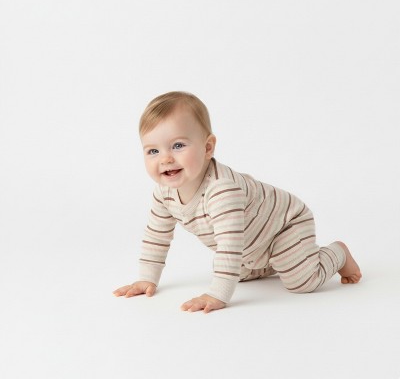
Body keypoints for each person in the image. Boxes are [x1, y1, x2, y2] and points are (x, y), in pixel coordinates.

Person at [113, 91, 362, 313]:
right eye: (153, 151)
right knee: (236, 272)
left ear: (208, 147)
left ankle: (337, 253)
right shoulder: (164, 193)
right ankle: (271, 263)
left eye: (178, 145)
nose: (165, 158)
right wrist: (147, 278)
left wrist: (217, 294)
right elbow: (156, 236)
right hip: (252, 241)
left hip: (285, 224)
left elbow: (229, 245)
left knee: (301, 282)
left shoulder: (222, 190)